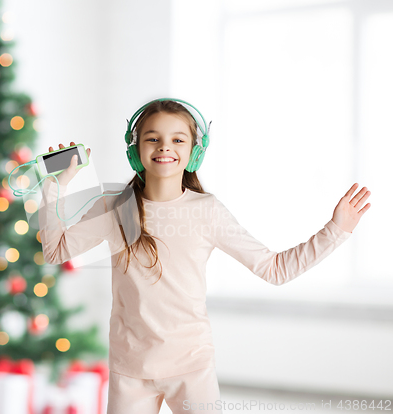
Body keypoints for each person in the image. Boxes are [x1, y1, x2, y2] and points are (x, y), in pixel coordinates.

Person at [38, 99, 371, 414]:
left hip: (191, 367)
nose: (165, 147)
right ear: (136, 150)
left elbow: (275, 269)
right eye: (153, 138)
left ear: (194, 153)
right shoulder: (114, 207)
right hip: (130, 369)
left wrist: (335, 231)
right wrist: (55, 186)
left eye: (178, 140)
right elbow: (55, 250)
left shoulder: (207, 211)